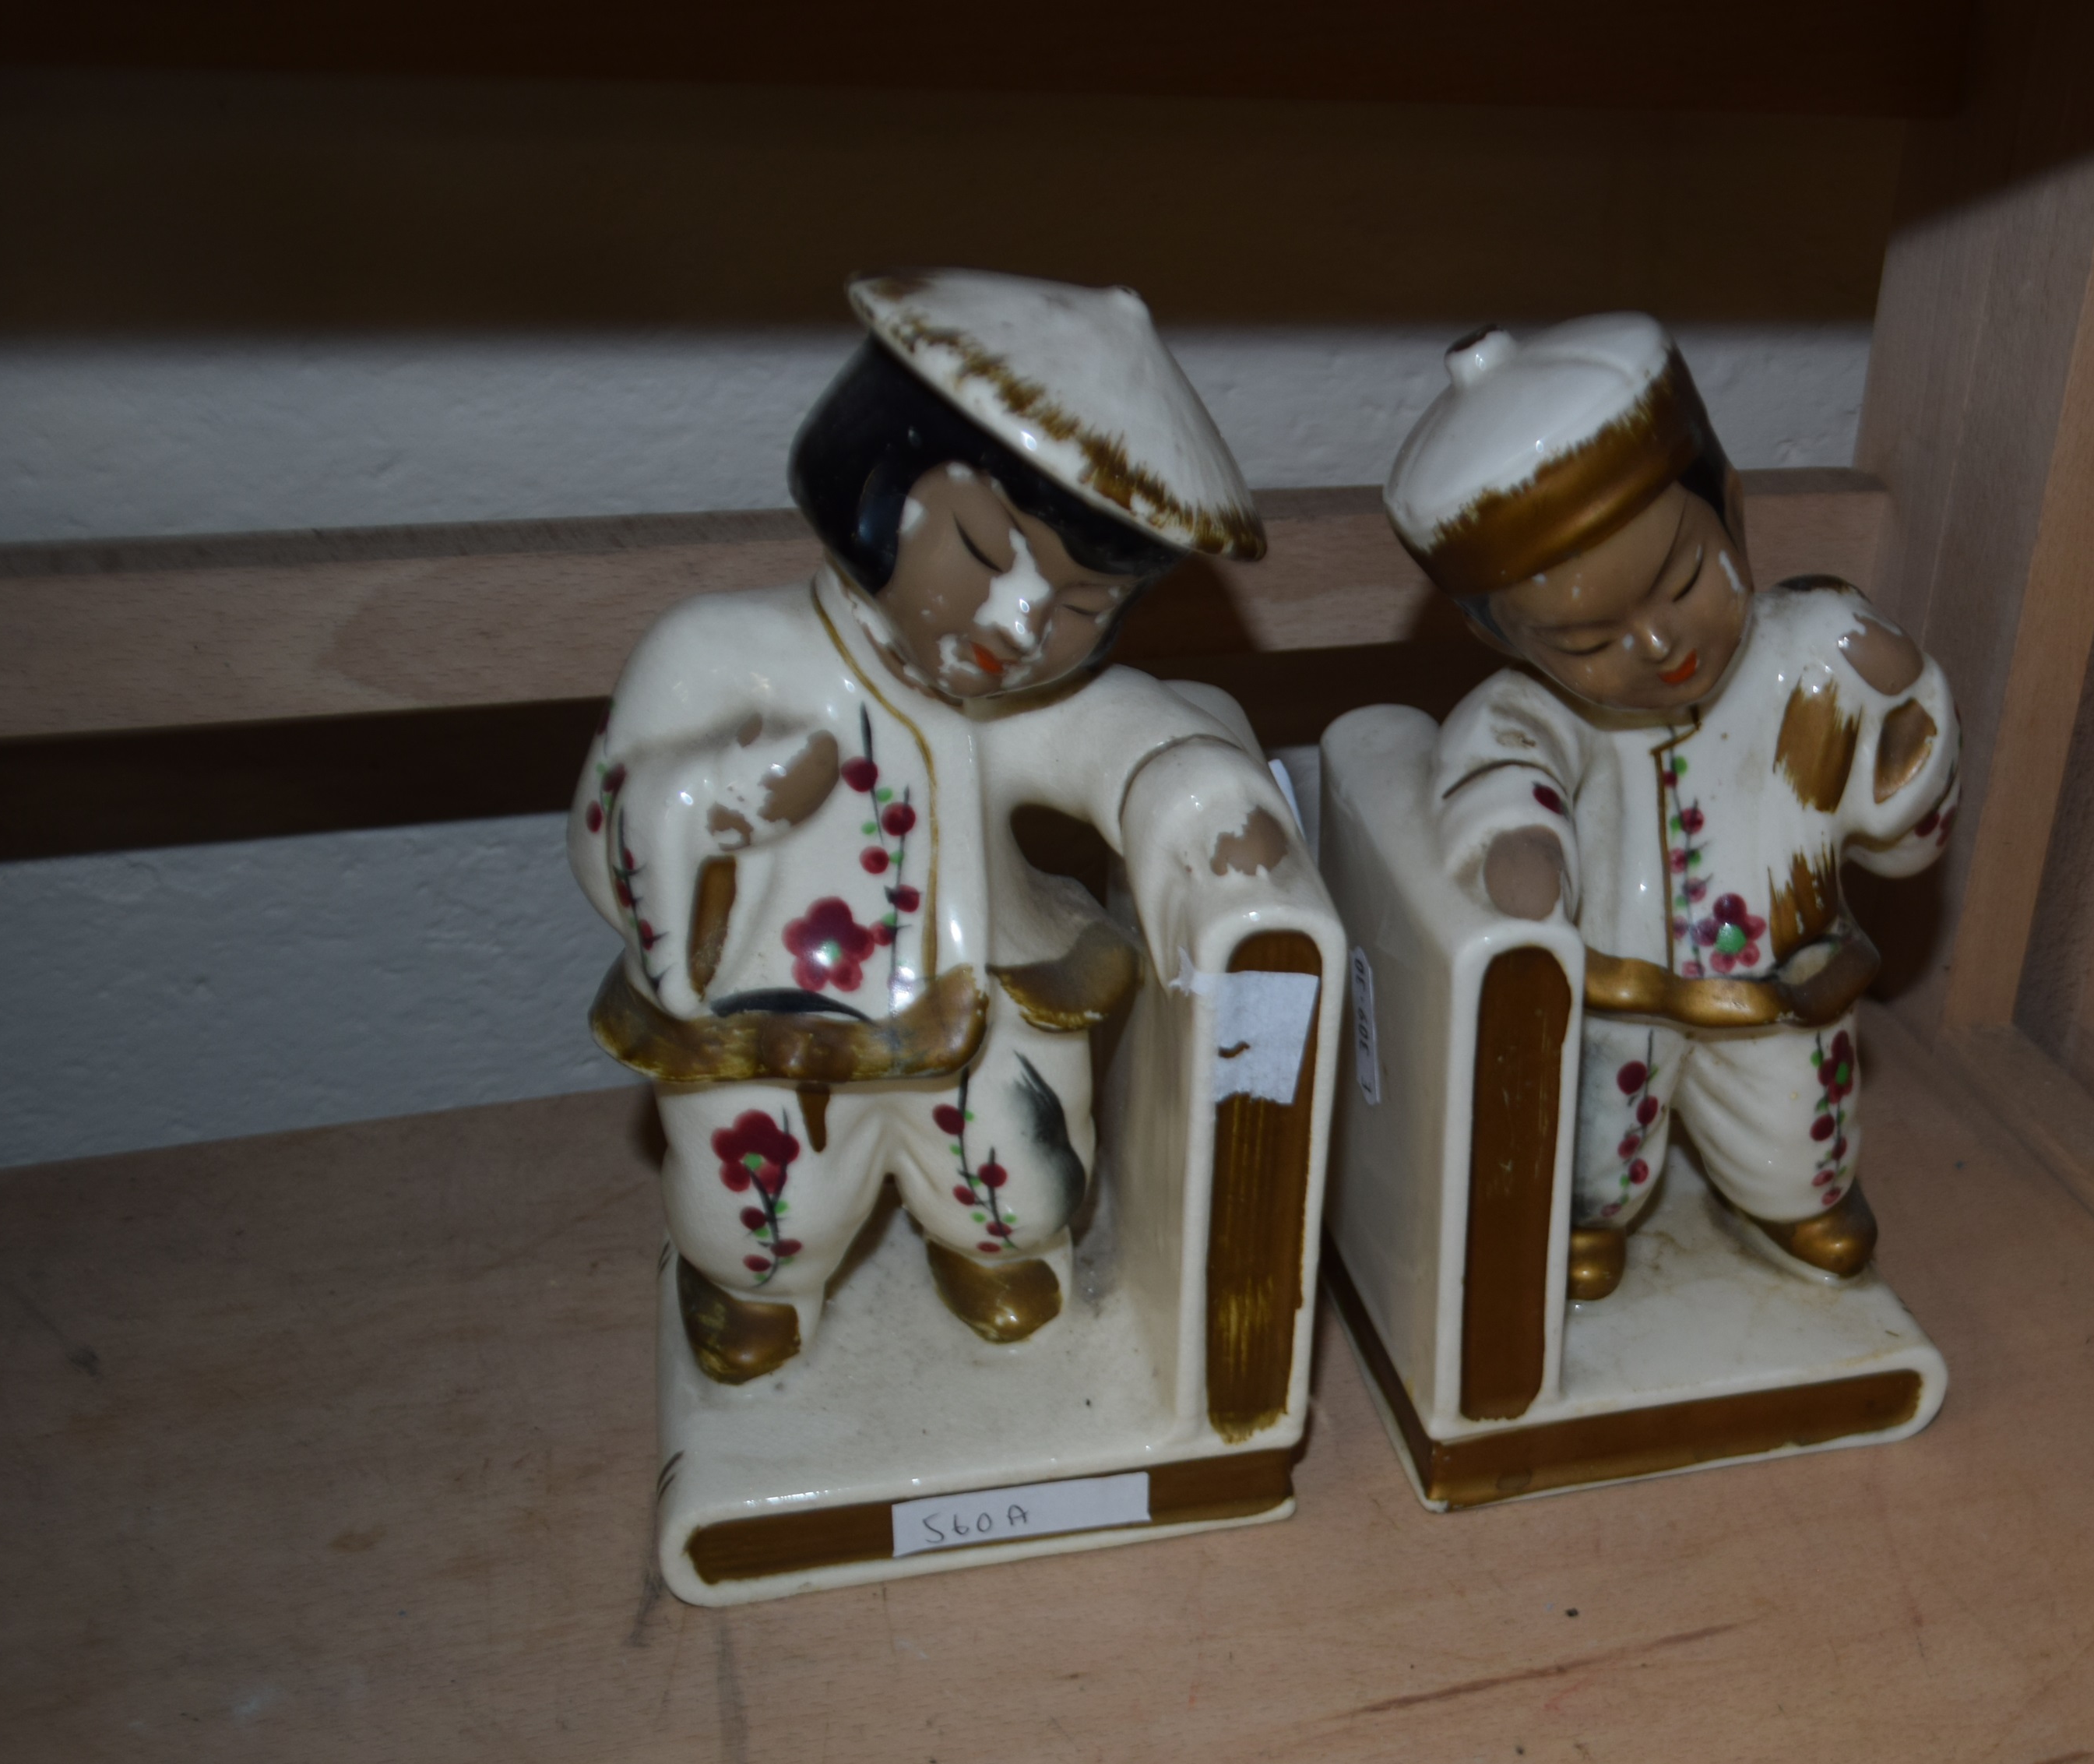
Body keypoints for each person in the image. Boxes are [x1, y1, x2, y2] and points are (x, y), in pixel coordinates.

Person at [572, 269, 1314, 1382]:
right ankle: (752, 1287)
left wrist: (1203, 802)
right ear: (871, 478)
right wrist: (710, 804)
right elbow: (604, 827)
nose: (1018, 625)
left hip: (982, 988)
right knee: (763, 1207)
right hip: (774, 1015)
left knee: (1016, 1182)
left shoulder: (1011, 707)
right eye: (977, 549)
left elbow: (1127, 739)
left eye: (1080, 607)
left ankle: (993, 1255)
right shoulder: (714, 651)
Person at [1381, 315, 1960, 1299]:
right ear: (1508, 641)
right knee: (1594, 1139)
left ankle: (1793, 1199)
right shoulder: (1535, 710)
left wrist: (1907, 726)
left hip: (1783, 983)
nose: (1657, 644)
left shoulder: (1817, 647)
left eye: (1683, 580)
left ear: (1731, 511)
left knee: (1795, 1128)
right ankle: (1586, 1218)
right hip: (1621, 990)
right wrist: (1520, 846)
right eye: (1587, 638)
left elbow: (1902, 831)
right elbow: (1498, 765)